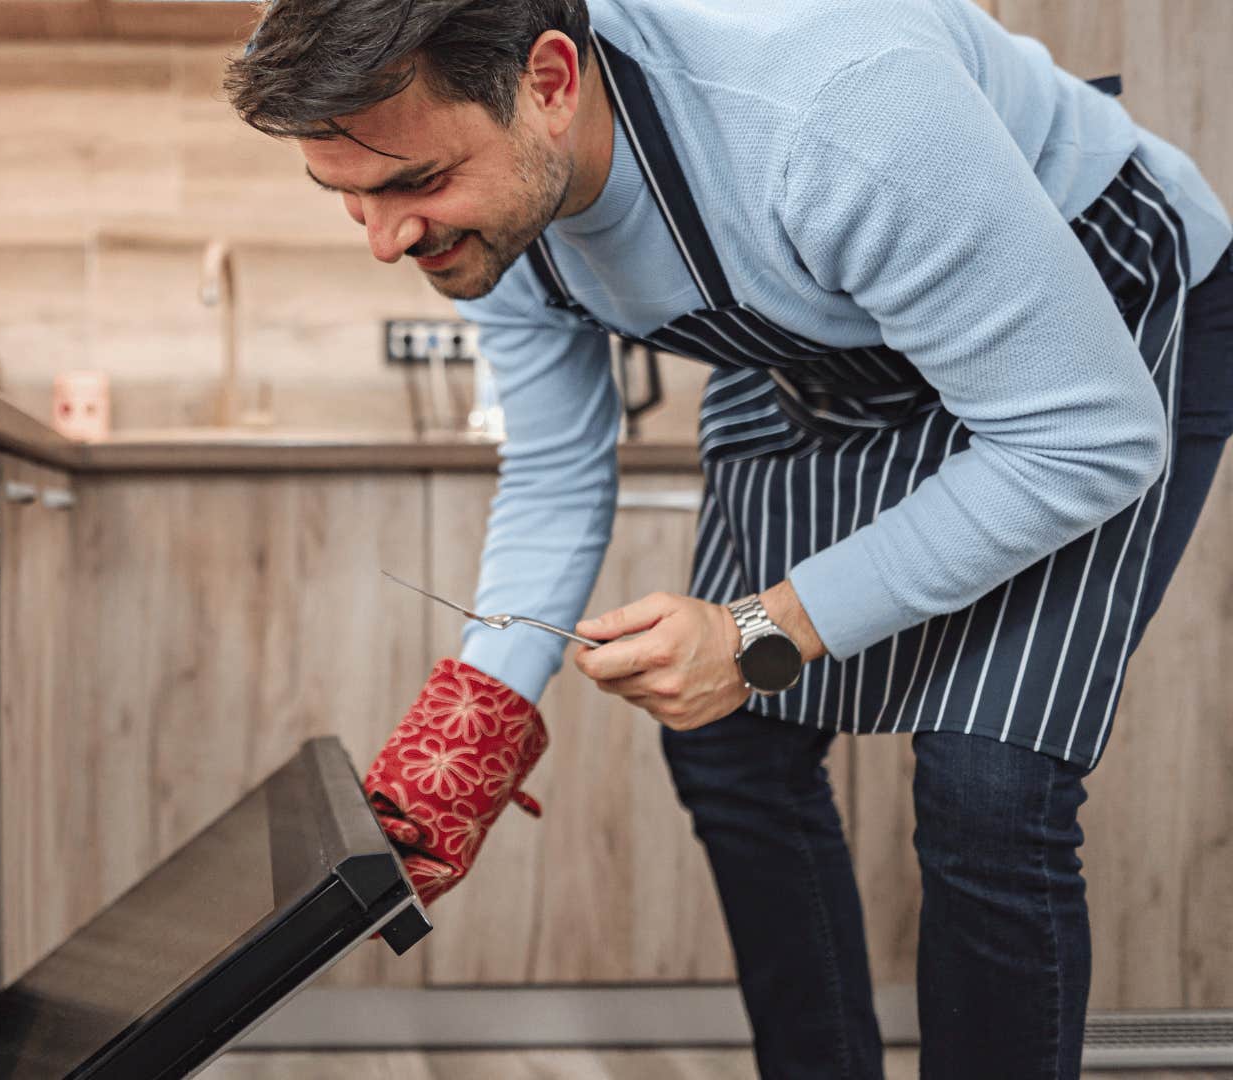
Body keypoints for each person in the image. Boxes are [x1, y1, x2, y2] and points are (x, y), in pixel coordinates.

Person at [225, 2, 1233, 1077]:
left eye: (414, 184)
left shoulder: (831, 113)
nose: (386, 241)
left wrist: (763, 630)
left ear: (551, 84)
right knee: (727, 742)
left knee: (989, 786)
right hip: (834, 338)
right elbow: (561, 472)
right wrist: (470, 732)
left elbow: (1083, 439)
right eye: (346, 197)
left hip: (1082, 330)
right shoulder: (485, 211)